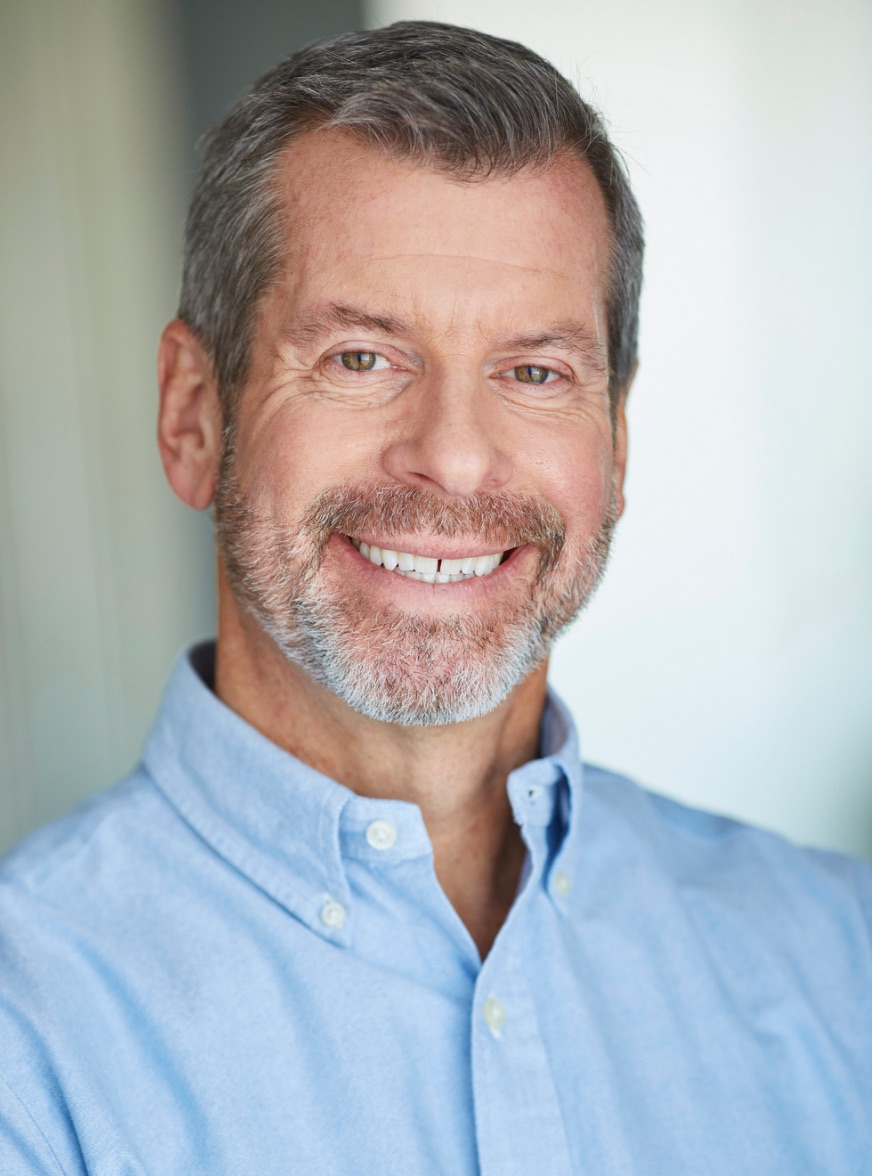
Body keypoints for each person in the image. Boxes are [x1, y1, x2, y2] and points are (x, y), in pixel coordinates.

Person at [1, 20, 869, 1175]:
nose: (453, 459)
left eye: (533, 372)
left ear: (613, 443)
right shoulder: (29, 1033)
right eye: (362, 358)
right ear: (193, 415)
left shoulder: (836, 955)